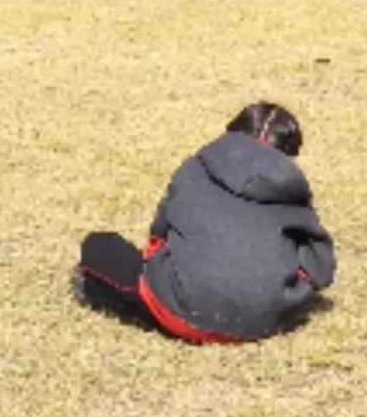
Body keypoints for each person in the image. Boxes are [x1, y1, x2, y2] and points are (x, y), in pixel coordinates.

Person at [74, 101, 336, 341]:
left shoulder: (197, 166)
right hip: (265, 321)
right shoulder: (291, 187)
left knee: (99, 246)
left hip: (184, 312)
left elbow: (159, 235)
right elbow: (320, 267)